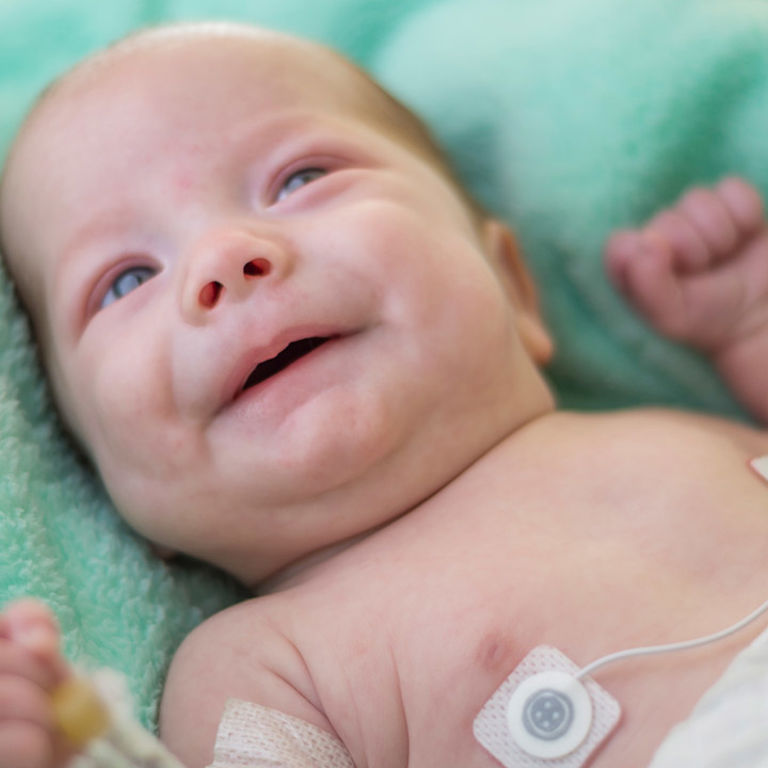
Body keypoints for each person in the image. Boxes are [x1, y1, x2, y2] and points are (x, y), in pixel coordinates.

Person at [1, 20, 768, 768]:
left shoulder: (682, 425)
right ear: (101, 476)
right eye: (126, 281)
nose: (225, 258)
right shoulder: (264, 665)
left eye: (301, 179)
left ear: (511, 282)